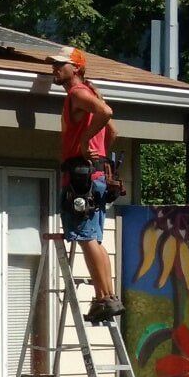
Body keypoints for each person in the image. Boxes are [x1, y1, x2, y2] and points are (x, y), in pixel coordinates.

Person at [51, 46, 121, 322]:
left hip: (81, 178)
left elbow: (106, 112)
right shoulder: (90, 92)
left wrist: (83, 142)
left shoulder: (78, 94)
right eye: (54, 64)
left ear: (77, 68)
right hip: (96, 175)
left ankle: (105, 298)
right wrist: (98, 153)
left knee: (87, 238)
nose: (55, 69)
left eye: (61, 65)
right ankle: (106, 296)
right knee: (94, 239)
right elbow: (112, 131)